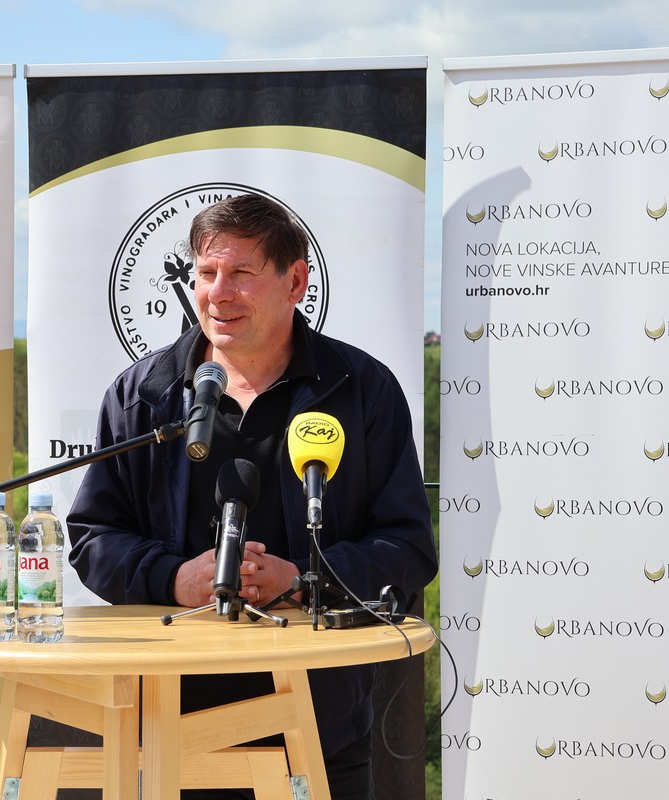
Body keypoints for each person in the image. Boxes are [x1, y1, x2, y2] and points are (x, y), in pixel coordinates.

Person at [67, 192, 438, 799]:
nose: (218, 293)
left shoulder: (362, 389)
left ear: (296, 281)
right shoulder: (143, 395)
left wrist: (304, 580)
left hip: (318, 722)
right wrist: (174, 579)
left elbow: (407, 545)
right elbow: (93, 538)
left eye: (241, 272)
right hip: (165, 720)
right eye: (206, 273)